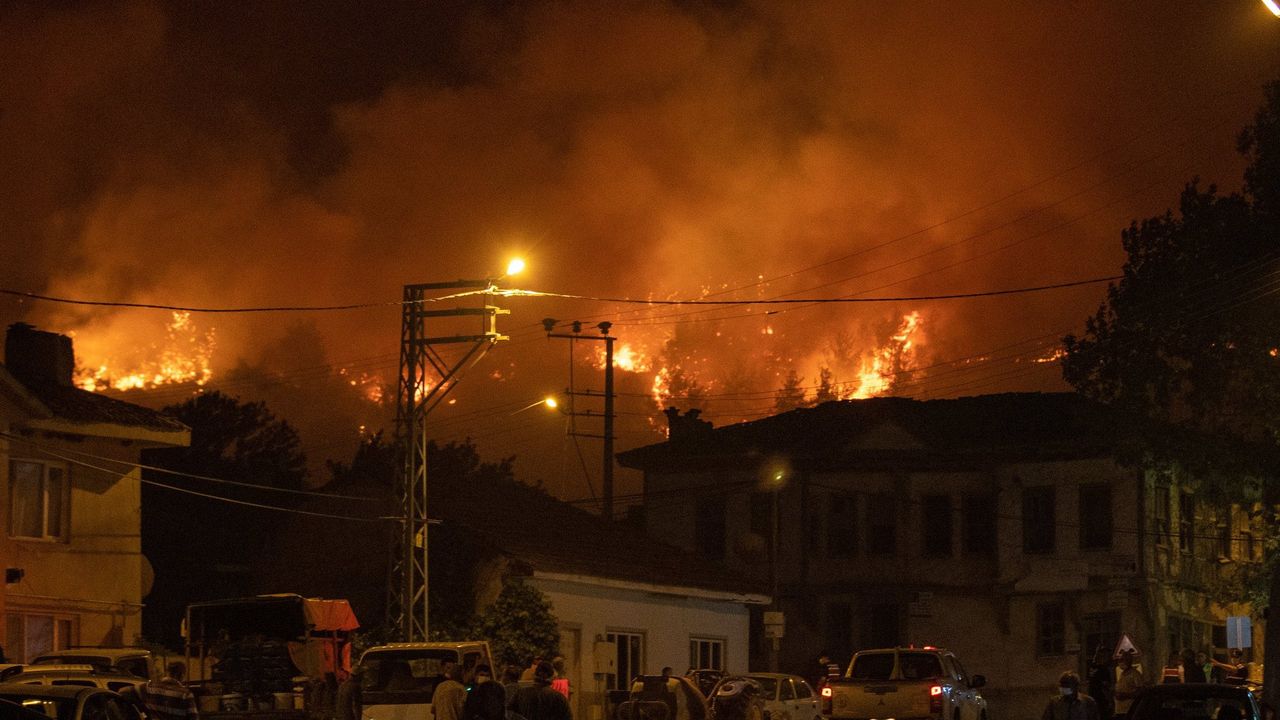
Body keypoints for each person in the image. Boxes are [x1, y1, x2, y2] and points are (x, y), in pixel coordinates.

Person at [1086, 647, 1115, 720]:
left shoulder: (1092, 667)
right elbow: (1106, 687)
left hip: (1092, 698)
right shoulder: (1104, 670)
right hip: (1101, 700)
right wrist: (1110, 701)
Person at [1113, 651, 1144, 717]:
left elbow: (1140, 691)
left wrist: (1126, 695)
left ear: (1129, 661)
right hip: (1119, 710)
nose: (1120, 662)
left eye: (1122, 660)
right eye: (1120, 660)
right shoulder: (1122, 674)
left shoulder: (1135, 674)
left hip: (1128, 710)